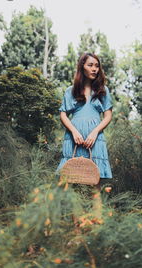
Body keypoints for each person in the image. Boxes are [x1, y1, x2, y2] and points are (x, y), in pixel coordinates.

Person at [56, 53, 113, 217]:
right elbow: (63, 114)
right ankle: (76, 227)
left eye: (97, 65)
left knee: (95, 184)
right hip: (74, 139)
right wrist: (74, 131)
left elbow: (108, 116)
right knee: (73, 182)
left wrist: (95, 132)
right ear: (82, 66)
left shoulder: (103, 91)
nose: (95, 68)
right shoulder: (71, 91)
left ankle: (97, 226)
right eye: (90, 65)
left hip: (94, 140)